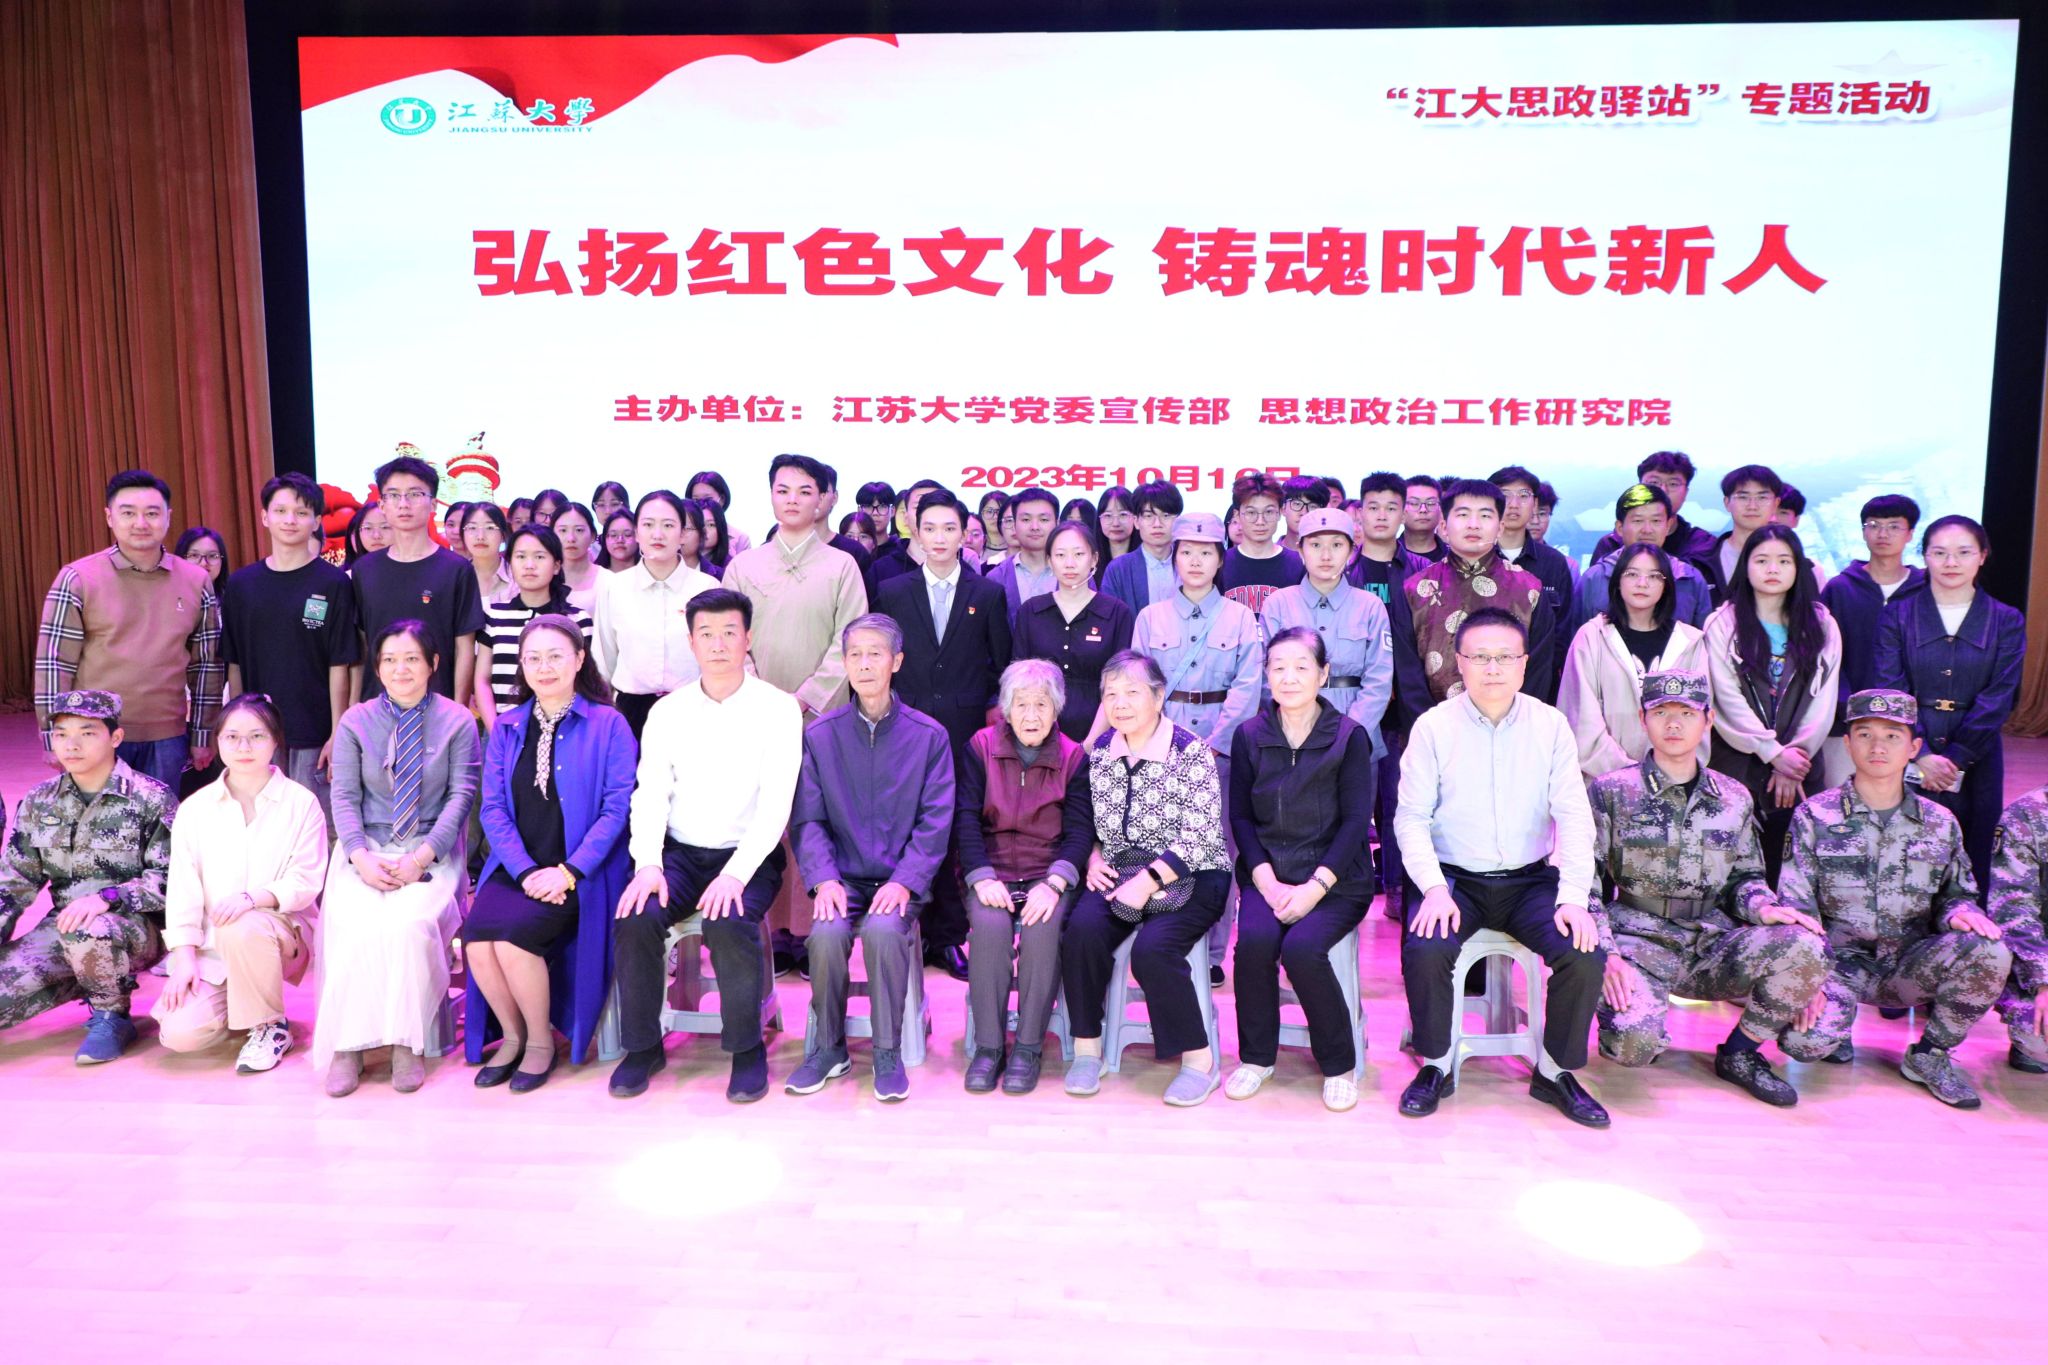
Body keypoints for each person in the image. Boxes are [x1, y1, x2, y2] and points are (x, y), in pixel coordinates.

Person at [1393, 608, 1607, 1127]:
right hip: (1453, 880)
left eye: (1505, 657)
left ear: (1524, 664)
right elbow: (1410, 818)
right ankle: (1435, 1063)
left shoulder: (1550, 725)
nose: (1493, 668)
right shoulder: (1433, 728)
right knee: (1426, 947)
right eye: (1481, 657)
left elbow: (1574, 817)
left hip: (1529, 881)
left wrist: (1573, 898)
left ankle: (1554, 1071)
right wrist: (1433, 889)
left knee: (1583, 952)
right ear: (1460, 663)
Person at [1588, 671, 1830, 1105]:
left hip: (1712, 940)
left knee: (1806, 944)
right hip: (1639, 940)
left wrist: (1764, 908)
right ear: (1643, 719)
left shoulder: (1733, 797)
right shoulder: (1612, 790)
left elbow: (1745, 878)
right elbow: (1583, 885)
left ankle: (1740, 1052)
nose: (1673, 724)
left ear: (1708, 720)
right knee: (1632, 1048)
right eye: (1661, 713)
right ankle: (1641, 1021)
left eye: (1686, 713)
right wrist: (1604, 955)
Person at [1775, 691, 2012, 1108]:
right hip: (1838, 965)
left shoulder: (1940, 822)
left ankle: (1930, 1055)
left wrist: (1960, 914)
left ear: (1914, 748)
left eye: (1892, 736)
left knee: (1991, 949)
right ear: (1848, 744)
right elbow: (1796, 907)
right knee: (1802, 1042)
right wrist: (1807, 979)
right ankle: (1837, 1025)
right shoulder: (1815, 816)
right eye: (1865, 734)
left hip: (1911, 963)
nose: (1878, 747)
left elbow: (1958, 894)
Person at [610, 589, 803, 1102]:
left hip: (749, 857)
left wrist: (735, 874)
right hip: (679, 854)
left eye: (729, 633)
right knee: (635, 916)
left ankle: (746, 1050)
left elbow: (776, 806)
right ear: (692, 642)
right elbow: (650, 792)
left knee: (728, 921)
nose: (718, 644)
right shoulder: (667, 711)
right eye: (707, 634)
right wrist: (648, 864)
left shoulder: (778, 709)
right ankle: (642, 1047)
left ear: (748, 638)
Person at [782, 615, 956, 1101]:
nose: (864, 664)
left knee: (882, 932)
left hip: (900, 881)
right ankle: (828, 1048)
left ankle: (886, 1051)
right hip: (842, 879)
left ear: (896, 662)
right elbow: (808, 820)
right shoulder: (821, 735)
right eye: (855, 654)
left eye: (875, 654)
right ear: (844, 662)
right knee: (825, 935)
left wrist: (905, 880)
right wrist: (823, 879)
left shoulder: (928, 736)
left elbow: (935, 821)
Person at [467, 616, 635, 1090]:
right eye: (533, 658)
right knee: (477, 939)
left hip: (582, 871)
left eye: (555, 656)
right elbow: (493, 809)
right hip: (518, 867)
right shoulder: (507, 727)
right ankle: (514, 1037)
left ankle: (541, 1043)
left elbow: (617, 809)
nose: (544, 667)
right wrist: (524, 872)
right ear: (521, 666)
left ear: (579, 659)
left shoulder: (609, 725)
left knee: (513, 940)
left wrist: (568, 871)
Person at [1059, 652, 1232, 1106]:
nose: (1120, 704)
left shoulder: (1191, 751)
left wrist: (1148, 881)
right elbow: (1083, 819)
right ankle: (1087, 1049)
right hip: (1120, 868)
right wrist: (1092, 858)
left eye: (1132, 693)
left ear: (1158, 697)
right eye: (1111, 694)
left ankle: (1199, 1061)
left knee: (1154, 949)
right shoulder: (1100, 752)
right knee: (1081, 932)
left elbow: (1201, 835)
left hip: (1195, 872)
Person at [315, 621, 481, 1096]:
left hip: (430, 850)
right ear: (377, 667)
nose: (399, 669)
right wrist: (360, 857)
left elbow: (462, 796)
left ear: (433, 664)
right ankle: (348, 1045)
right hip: (365, 848)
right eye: (389, 659)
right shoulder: (356, 720)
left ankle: (407, 1041)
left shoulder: (457, 721)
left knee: (408, 926)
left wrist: (422, 858)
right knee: (354, 923)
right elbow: (344, 796)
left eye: (411, 659)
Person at [1225, 628, 1376, 1111]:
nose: (1289, 678)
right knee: (1253, 944)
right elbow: (1240, 817)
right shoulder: (1249, 736)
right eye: (1278, 668)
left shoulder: (1348, 737)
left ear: (1323, 674)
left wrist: (1315, 887)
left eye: (1301, 667)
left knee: (1303, 949)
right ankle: (1256, 1058)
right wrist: (1264, 879)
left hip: (1337, 880)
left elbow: (1356, 822)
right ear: (1266, 676)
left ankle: (1339, 1065)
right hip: (1268, 875)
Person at [151, 693, 326, 1073]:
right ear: (217, 742)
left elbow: (306, 879)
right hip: (216, 946)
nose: (244, 747)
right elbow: (183, 890)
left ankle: (270, 1026)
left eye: (257, 736)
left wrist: (252, 898)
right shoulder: (195, 809)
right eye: (232, 737)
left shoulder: (301, 803)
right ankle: (245, 1001)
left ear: (275, 740)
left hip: (282, 932)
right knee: (179, 1034)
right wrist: (184, 958)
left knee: (242, 925)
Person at [876, 490, 1012, 978]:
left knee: (955, 828)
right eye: (929, 528)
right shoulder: (892, 590)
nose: (939, 538)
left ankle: (950, 936)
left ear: (964, 533)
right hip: (904, 727)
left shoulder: (987, 593)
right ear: (914, 530)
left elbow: (1001, 664)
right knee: (906, 824)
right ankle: (906, 927)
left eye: (949, 528)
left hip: (964, 729)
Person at [0, 690, 176, 1062]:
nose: (72, 745)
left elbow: (172, 879)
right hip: (65, 926)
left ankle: (112, 1016)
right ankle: (83, 977)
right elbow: (13, 882)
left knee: (88, 929)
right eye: (61, 734)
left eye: (87, 732)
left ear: (116, 737)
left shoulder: (151, 797)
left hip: (138, 926)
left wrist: (108, 898)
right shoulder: (40, 801)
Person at [1132, 512, 1263, 982]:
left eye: (1205, 552)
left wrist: (1214, 745)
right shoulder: (1150, 617)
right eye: (1186, 551)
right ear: (1174, 558)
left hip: (1220, 753)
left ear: (1220, 560)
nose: (1194, 561)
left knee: (1217, 851)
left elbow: (1247, 686)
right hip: (1159, 748)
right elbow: (1138, 685)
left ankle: (1211, 953)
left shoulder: (1241, 618)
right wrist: (1157, 740)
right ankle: (1158, 942)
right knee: (1157, 846)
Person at [35, 469, 224, 788]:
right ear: (110, 517)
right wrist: (52, 734)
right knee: (97, 819)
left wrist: (203, 734)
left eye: (152, 513)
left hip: (167, 737)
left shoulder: (196, 580)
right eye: (128, 513)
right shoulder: (77, 578)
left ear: (168, 517)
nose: (141, 523)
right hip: (94, 734)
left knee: (162, 819)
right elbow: (54, 664)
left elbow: (206, 666)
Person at [957, 660, 1091, 1094]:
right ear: (1006, 709)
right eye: (1022, 705)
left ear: (1056, 710)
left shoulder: (1073, 757)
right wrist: (981, 877)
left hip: (1045, 873)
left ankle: (1029, 1047)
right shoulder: (980, 747)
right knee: (990, 930)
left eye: (1041, 705)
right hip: (991, 871)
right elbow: (965, 819)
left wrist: (1054, 884)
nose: (1031, 715)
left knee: (1042, 930)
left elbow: (1079, 833)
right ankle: (989, 1047)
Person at [1874, 515, 2025, 895]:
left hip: (1978, 753)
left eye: (1963, 553)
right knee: (1902, 850)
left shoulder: (2006, 620)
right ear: (1924, 556)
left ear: (1983, 556)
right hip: (1906, 750)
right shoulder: (1897, 614)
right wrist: (1921, 752)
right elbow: (1891, 687)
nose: (1951, 562)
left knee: (1974, 848)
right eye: (1939, 553)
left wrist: (1957, 758)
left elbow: (2000, 695)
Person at [1703, 524, 1842, 884]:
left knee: (1793, 870)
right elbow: (1725, 698)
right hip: (1737, 763)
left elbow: (1823, 701)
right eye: (1761, 560)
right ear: (1745, 566)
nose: (1772, 569)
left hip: (1800, 768)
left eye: (1784, 560)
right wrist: (1771, 752)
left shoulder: (1822, 624)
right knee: (1735, 870)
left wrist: (1792, 759)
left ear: (1798, 567)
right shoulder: (1722, 623)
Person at [219, 472, 359, 827]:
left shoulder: (333, 583)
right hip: (258, 732)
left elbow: (340, 664)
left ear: (316, 521)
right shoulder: (242, 584)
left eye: (301, 512)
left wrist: (337, 732)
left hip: (315, 733)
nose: (290, 520)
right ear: (264, 516)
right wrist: (238, 727)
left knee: (317, 828)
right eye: (280, 511)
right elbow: (234, 663)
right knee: (262, 826)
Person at [723, 454, 869, 718]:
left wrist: (807, 697)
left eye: (804, 492)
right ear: (771, 495)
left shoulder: (843, 566)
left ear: (821, 499)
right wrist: (758, 694)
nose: (792, 499)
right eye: (783, 491)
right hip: (754, 710)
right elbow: (728, 634)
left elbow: (851, 638)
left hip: (823, 714)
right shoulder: (742, 566)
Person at [1558, 543, 1709, 779]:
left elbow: (1699, 720)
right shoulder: (1592, 637)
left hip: (1674, 783)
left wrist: (1668, 775)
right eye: (1632, 574)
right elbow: (1580, 722)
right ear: (1617, 581)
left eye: (1654, 576)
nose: (1642, 583)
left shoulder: (1690, 642)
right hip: (1603, 783)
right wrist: (1634, 778)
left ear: (1666, 585)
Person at [348, 452, 487, 705]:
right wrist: (355, 710)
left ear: (433, 504)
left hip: (438, 708)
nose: (404, 504)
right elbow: (362, 648)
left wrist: (457, 711)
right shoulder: (364, 570)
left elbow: (464, 648)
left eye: (415, 494)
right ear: (382, 504)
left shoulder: (456, 569)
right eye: (393, 495)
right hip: (377, 708)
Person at [1402, 478, 1557, 705]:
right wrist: (1430, 723)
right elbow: (1407, 675)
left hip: (1512, 721)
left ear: (1500, 528)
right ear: (1443, 527)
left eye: (1485, 515)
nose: (1473, 524)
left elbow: (1538, 670)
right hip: (1432, 722)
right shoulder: (1415, 589)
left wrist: (1513, 719)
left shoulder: (1529, 590)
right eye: (1463, 514)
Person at [1259, 509, 1394, 757]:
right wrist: (1294, 728)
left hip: (1357, 734)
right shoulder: (1278, 604)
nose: (1326, 555)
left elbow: (1379, 679)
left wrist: (1350, 734)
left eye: (1337, 545)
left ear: (1351, 552)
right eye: (1315, 545)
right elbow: (1265, 676)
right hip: (1291, 736)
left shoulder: (1370, 606)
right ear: (1300, 551)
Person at [591, 490, 720, 739]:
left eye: (668, 525)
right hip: (630, 712)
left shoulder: (706, 587)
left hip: (694, 710)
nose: (657, 534)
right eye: (648, 525)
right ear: (637, 532)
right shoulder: (615, 588)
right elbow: (604, 660)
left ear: (682, 534)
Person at [1818, 494, 1926, 786]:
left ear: (1910, 533)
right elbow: (1824, 656)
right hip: (1845, 721)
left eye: (1894, 526)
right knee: (1842, 799)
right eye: (1874, 525)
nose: (1882, 534)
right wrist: (1846, 705)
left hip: (1909, 723)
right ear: (1863, 532)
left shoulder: (1925, 590)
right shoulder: (1839, 589)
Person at [1014, 522, 1136, 741]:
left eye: (1079, 554)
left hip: (1103, 735)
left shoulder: (1117, 613)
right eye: (1060, 555)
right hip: (1038, 734)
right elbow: (1019, 681)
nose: (1069, 564)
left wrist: (1090, 744)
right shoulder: (1031, 611)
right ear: (1049, 561)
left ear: (1094, 559)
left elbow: (1121, 684)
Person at [477, 525, 595, 727]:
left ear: (556, 566)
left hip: (563, 729)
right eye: (521, 557)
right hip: (503, 727)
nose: (529, 565)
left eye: (539, 557)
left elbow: (585, 682)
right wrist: (495, 730)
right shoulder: (494, 615)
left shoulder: (576, 619)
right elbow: (482, 680)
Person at [1569, 484, 1712, 637]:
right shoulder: (1594, 578)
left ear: (1668, 526)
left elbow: (1703, 642)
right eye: (1638, 521)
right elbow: (1577, 639)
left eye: (1656, 521)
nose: (1647, 530)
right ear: (1619, 527)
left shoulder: (1690, 579)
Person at [1986, 789, 2048, 1073]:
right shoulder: (2028, 815)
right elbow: (2013, 910)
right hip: (2041, 965)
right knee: (2038, 1041)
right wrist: (2044, 982)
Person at [1589, 451, 1720, 571]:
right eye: (1654, 482)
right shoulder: (1612, 544)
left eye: (1673, 484)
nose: (1663, 490)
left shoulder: (1705, 545)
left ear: (1686, 492)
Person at [1488, 465, 1575, 639]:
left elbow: (1562, 630)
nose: (1514, 504)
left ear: (1534, 504)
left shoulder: (1554, 562)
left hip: (1541, 657)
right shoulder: (1475, 557)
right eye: (1505, 495)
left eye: (1523, 495)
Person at [1219, 472, 1304, 616]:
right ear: (1237, 514)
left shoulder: (1298, 564)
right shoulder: (1221, 563)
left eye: (1269, 512)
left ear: (1279, 513)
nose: (1260, 521)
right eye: (1251, 513)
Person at [1100, 479, 1184, 615]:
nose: (1157, 524)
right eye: (1148, 516)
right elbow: (1108, 619)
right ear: (1136, 522)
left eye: (1166, 515)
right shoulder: (1118, 570)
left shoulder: (1190, 564)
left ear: (1178, 520)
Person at [985, 486, 1059, 621]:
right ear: (1014, 525)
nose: (1035, 527)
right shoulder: (996, 578)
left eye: (1044, 519)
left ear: (1057, 523)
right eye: (1026, 520)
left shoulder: (1077, 574)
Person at [549, 502, 604, 611]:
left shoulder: (609, 581)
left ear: (593, 535)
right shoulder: (542, 578)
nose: (571, 538)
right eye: (563, 530)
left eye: (579, 530)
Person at [685, 469, 753, 556]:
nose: (702, 504)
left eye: (708, 499)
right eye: (696, 500)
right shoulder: (681, 534)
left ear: (722, 500)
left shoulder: (740, 539)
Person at [460, 502, 515, 606]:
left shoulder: (518, 577)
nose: (480, 537)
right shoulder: (455, 577)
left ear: (503, 535)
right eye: (472, 528)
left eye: (490, 528)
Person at [1400, 475, 1448, 563]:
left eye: (1431, 503)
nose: (1423, 510)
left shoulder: (1456, 558)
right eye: (1414, 503)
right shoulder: (1384, 556)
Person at [1097, 486, 1137, 561]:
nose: (1116, 523)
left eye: (1123, 515)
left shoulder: (1147, 559)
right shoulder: (1091, 559)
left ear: (1135, 518)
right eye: (1108, 515)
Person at [855, 480, 897, 546]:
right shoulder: (851, 547)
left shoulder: (902, 548)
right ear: (859, 511)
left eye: (882, 506)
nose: (875, 513)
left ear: (892, 511)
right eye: (868, 506)